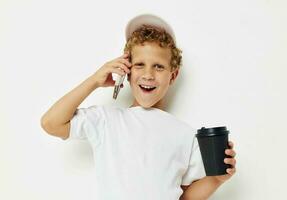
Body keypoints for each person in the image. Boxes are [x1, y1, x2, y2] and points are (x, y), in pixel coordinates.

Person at [41, 13, 237, 200]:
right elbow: (51, 123)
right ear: (126, 71)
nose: (148, 75)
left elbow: (185, 197)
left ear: (173, 75)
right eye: (139, 65)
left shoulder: (186, 136)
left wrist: (216, 178)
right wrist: (94, 81)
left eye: (158, 66)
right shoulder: (107, 121)